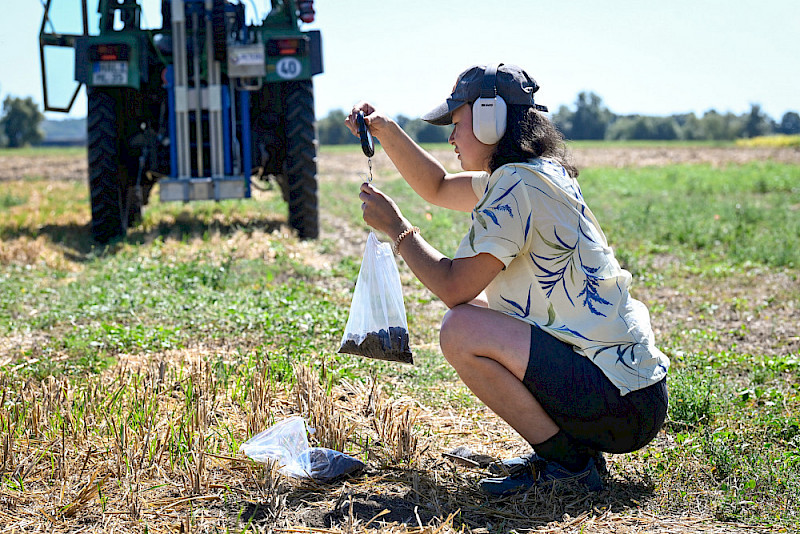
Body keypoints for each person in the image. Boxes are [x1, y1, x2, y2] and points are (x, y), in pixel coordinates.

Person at [345, 63, 669, 496]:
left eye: (458, 124)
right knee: (471, 321)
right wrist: (384, 129)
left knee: (461, 328)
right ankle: (568, 452)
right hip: (633, 394)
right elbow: (438, 187)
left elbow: (453, 287)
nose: (452, 137)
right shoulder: (533, 173)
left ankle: (569, 464)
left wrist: (398, 229)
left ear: (490, 119)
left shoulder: (516, 187)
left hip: (619, 402)